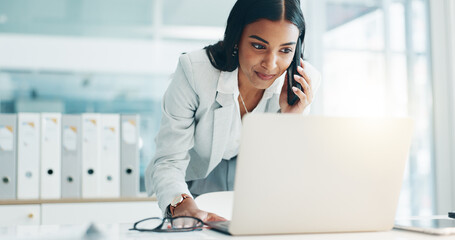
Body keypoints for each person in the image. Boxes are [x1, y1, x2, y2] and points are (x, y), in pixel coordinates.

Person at [145, 0, 321, 222]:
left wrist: (290, 120)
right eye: (259, 46)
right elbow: (169, 161)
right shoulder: (195, 72)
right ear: (237, 38)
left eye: (286, 50)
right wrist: (181, 206)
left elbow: (283, 176)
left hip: (254, 189)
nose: (271, 64)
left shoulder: (302, 83)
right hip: (193, 183)